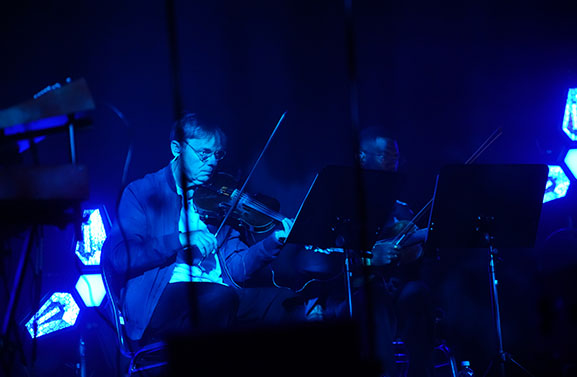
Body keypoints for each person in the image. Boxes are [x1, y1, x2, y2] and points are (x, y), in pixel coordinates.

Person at [101, 113, 294, 349]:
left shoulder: (217, 200)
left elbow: (235, 269)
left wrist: (272, 242)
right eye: (204, 153)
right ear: (177, 149)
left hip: (220, 293)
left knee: (287, 302)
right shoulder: (142, 192)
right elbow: (121, 257)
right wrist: (181, 239)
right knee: (219, 300)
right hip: (162, 297)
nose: (212, 162)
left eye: (218, 154)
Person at [295, 126, 434, 377]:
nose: (392, 163)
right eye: (385, 155)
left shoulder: (402, 210)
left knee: (418, 293)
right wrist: (370, 259)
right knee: (373, 297)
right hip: (346, 295)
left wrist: (416, 246)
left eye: (396, 157)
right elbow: (314, 258)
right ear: (361, 156)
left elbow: (413, 261)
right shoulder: (336, 203)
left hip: (393, 296)